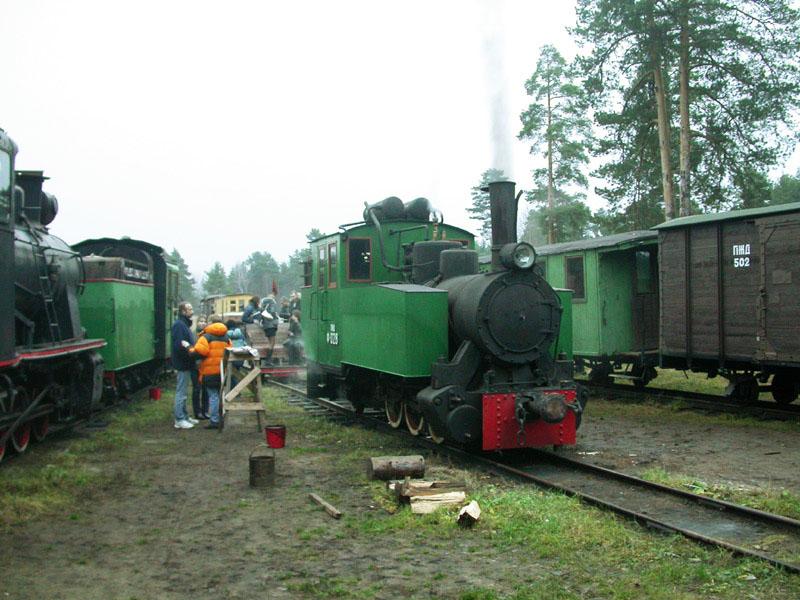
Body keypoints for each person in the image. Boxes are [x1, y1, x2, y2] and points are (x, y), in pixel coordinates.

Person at [191, 314, 231, 429]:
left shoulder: (206, 336)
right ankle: (221, 417)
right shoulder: (226, 337)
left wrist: (190, 349)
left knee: (213, 396)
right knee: (221, 395)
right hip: (222, 370)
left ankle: (214, 420)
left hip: (209, 371)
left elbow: (200, 351)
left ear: (211, 322)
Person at [170, 302, 198, 429]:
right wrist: (190, 353)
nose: (191, 311)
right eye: (189, 309)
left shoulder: (184, 325)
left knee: (184, 391)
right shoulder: (179, 325)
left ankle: (185, 416)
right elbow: (180, 345)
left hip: (187, 363)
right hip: (183, 363)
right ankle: (179, 419)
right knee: (181, 392)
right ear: (183, 311)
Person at [192, 314, 209, 420]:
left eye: (204, 321)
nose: (202, 323)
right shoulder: (193, 335)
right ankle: (197, 411)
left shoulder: (208, 335)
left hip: (206, 365)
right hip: (195, 365)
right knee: (197, 389)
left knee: (206, 389)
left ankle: (205, 410)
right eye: (201, 321)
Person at [260, 293, 279, 365]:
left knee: (270, 342)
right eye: (273, 297)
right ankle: (268, 360)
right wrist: (276, 317)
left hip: (266, 325)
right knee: (272, 343)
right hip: (271, 325)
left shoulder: (263, 304)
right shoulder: (271, 303)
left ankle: (268, 360)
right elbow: (273, 312)